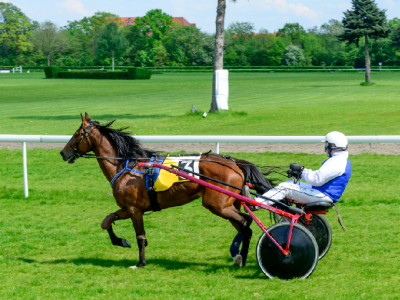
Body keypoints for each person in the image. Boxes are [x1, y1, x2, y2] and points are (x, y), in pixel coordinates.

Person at [255, 131, 351, 206]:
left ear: (333, 146)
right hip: (323, 193)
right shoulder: (340, 159)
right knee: (290, 182)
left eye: (326, 145)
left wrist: (302, 172)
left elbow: (317, 180)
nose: (325, 149)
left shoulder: (337, 161)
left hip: (323, 196)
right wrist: (301, 172)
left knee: (285, 188)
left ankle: (256, 204)